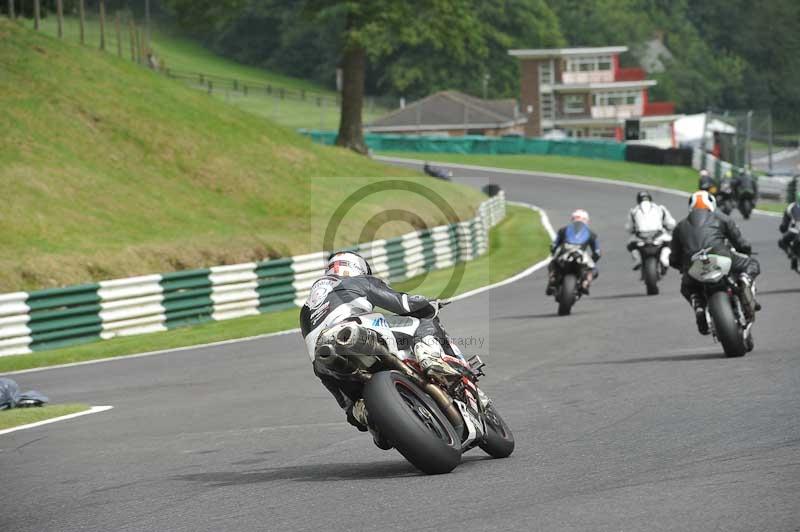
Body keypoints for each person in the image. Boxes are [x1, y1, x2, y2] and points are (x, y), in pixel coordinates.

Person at [299, 251, 460, 437]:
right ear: (357, 268)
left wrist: (349, 408)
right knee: (423, 322)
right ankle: (432, 361)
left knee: (351, 407)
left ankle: (363, 413)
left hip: (324, 361)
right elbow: (402, 303)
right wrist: (428, 304)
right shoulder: (356, 280)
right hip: (356, 329)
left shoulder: (306, 309)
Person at [669, 191, 761, 335]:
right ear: (712, 204)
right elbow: (741, 243)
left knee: (687, 288)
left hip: (694, 263)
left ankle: (698, 305)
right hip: (721, 256)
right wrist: (746, 250)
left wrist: (682, 267)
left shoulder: (680, 226)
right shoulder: (722, 218)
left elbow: (673, 258)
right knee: (751, 263)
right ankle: (744, 279)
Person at [546, 209, 601, 296]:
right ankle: (586, 283)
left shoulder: (563, 230)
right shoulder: (591, 233)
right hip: (581, 255)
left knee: (552, 263)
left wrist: (554, 253)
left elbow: (553, 246)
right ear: (586, 220)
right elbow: (597, 253)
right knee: (594, 270)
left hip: (565, 253)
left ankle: (552, 280)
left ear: (572, 219)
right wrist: (592, 262)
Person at [625, 191, 676, 273]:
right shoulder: (660, 208)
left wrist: (634, 229)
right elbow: (671, 223)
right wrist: (668, 227)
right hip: (657, 234)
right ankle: (664, 258)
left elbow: (629, 228)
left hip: (641, 236)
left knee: (630, 244)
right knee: (670, 243)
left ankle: (638, 259)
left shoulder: (633, 211)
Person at [778, 190, 800, 270]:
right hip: (796, 232)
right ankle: (793, 255)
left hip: (795, 231)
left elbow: (784, 225)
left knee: (782, 242)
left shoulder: (791, 206)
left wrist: (783, 228)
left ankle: (792, 254)